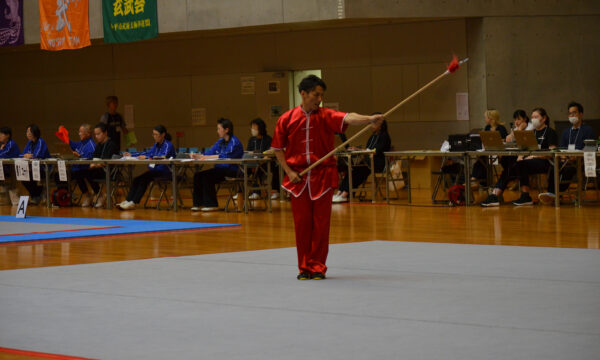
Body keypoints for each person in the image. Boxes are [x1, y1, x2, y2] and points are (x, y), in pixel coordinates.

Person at [271, 74, 384, 280]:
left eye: (321, 95)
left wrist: (369, 119)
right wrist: (289, 171)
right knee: (302, 225)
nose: (319, 99)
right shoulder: (286, 119)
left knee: (321, 225)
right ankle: (304, 267)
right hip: (298, 179)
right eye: (316, 94)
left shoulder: (325, 115)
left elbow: (348, 117)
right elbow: (278, 148)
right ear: (303, 94)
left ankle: (318, 267)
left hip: (322, 177)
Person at [538, 101, 596, 204]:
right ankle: (552, 193)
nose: (571, 115)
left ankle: (555, 194)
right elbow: (561, 149)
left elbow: (590, 150)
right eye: (569, 114)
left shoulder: (588, 130)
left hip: (580, 162)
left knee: (568, 170)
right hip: (565, 161)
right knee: (553, 167)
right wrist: (564, 156)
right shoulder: (566, 132)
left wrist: (577, 157)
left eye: (574, 113)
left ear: (581, 114)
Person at [333, 116, 391, 203]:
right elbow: (368, 149)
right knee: (351, 170)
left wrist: (360, 150)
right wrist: (357, 149)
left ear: (381, 125)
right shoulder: (372, 136)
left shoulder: (384, 136)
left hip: (378, 163)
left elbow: (376, 150)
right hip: (368, 162)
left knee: (358, 172)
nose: (371, 126)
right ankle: (340, 192)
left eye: (373, 124)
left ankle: (345, 194)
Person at [116, 125, 176, 210]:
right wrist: (132, 155)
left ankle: (134, 202)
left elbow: (162, 157)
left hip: (165, 172)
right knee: (137, 179)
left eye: (156, 135)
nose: (154, 137)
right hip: (155, 172)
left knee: (143, 180)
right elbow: (147, 153)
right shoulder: (156, 145)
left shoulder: (168, 145)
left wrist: (148, 158)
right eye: (153, 135)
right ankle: (128, 200)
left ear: (163, 135)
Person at [191, 118, 244, 212]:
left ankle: (211, 204)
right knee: (198, 175)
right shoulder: (220, 142)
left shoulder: (235, 142)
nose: (217, 131)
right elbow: (209, 153)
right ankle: (198, 203)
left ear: (226, 130)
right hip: (220, 169)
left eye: (219, 129)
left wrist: (209, 157)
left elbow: (225, 156)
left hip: (232, 170)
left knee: (207, 176)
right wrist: (198, 155)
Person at [481, 110, 532, 206]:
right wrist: (517, 129)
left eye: (519, 119)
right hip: (515, 156)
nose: (516, 122)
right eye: (515, 119)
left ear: (525, 119)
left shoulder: (530, 127)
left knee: (509, 169)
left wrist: (520, 129)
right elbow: (508, 139)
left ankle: (495, 195)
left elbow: (526, 145)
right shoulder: (516, 128)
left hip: (527, 157)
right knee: (508, 166)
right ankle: (496, 194)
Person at [511, 107, 558, 206]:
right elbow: (524, 148)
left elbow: (552, 152)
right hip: (531, 160)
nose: (533, 119)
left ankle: (526, 196)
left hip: (546, 161)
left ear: (544, 118)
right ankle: (525, 195)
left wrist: (534, 156)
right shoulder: (531, 133)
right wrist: (520, 156)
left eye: (536, 117)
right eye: (532, 117)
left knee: (522, 165)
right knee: (518, 164)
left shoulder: (550, 132)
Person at [78, 123, 120, 208]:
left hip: (109, 172)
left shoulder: (112, 144)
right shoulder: (99, 145)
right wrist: (92, 164)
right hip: (98, 170)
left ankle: (100, 195)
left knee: (87, 173)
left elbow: (106, 162)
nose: (96, 137)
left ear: (105, 133)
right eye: (95, 134)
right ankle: (88, 194)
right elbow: (94, 158)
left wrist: (95, 165)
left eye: (98, 134)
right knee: (78, 173)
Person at [56, 124, 96, 206]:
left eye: (81, 132)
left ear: (88, 133)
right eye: (79, 132)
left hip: (86, 170)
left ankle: (87, 195)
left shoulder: (91, 145)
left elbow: (88, 161)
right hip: (76, 169)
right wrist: (62, 132)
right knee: (58, 175)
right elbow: (69, 142)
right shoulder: (80, 143)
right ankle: (69, 195)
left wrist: (79, 156)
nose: (79, 134)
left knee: (78, 174)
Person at [471, 110, 508, 186]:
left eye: (486, 117)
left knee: (484, 161)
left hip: (500, 153)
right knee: (480, 161)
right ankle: (478, 180)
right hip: (489, 151)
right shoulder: (487, 127)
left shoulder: (501, 128)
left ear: (491, 118)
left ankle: (476, 180)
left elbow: (505, 140)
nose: (485, 119)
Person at [246, 117, 280, 200]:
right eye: (252, 127)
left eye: (254, 127)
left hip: (266, 163)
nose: (252, 129)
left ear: (260, 128)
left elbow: (271, 152)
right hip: (253, 163)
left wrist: (264, 159)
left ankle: (275, 191)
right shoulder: (251, 140)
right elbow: (248, 152)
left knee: (275, 169)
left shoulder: (268, 139)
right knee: (243, 170)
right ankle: (240, 192)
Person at [19, 124, 50, 204]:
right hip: (33, 168)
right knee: (23, 178)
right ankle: (37, 194)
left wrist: (29, 156)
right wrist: (25, 155)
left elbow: (37, 155)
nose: (27, 134)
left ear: (35, 132)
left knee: (29, 177)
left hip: (43, 168)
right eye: (27, 132)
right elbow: (21, 154)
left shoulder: (41, 141)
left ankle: (36, 195)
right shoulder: (29, 142)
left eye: (30, 132)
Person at [0, 127, 21, 205]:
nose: (0, 136)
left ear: (8, 135)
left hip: (11, 169)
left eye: (2, 134)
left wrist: (1, 150)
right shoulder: (3, 145)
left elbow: (3, 155)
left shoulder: (11, 144)